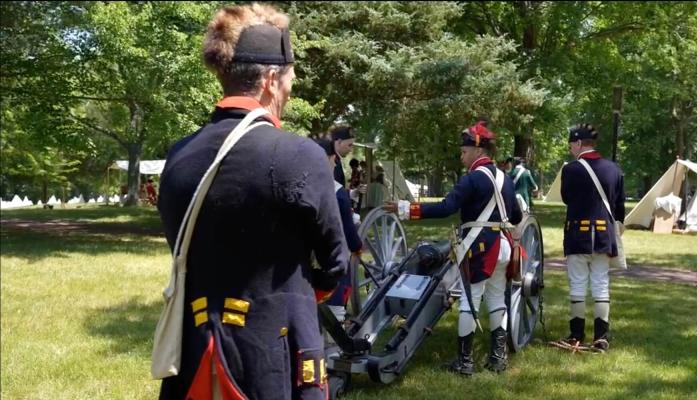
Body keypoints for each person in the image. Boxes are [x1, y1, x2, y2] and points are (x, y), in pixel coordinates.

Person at [156, 3, 348, 399]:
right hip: (273, 360)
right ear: (271, 80)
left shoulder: (179, 155)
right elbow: (335, 262)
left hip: (194, 358)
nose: (292, 89)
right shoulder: (299, 155)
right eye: (291, 77)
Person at [384, 120, 523, 375]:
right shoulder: (507, 179)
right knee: (496, 299)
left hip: (479, 248)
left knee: (470, 302)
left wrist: (408, 208)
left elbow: (446, 207)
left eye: (464, 151)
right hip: (503, 246)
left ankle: (465, 362)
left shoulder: (472, 179)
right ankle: (497, 359)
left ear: (479, 152)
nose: (461, 156)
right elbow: (514, 217)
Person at [555, 123, 625, 353]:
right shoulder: (614, 169)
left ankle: (576, 335)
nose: (570, 150)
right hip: (604, 235)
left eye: (571, 145)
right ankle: (601, 337)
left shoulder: (571, 169)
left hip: (578, 234)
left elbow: (566, 198)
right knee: (600, 284)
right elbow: (619, 207)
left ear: (577, 143)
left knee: (577, 284)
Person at [314, 138, 363, 323]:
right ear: (330, 159)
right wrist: (357, 247)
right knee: (336, 302)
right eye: (334, 160)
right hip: (331, 258)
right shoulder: (337, 192)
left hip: (304, 263)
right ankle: (335, 348)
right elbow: (349, 232)